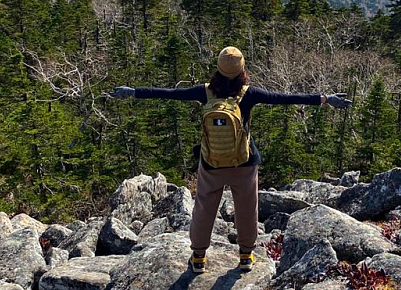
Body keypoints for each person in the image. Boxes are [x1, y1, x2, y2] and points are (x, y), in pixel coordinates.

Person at [111, 46, 351, 273]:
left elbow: (170, 94)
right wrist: (325, 98)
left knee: (204, 209)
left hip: (211, 163)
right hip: (243, 163)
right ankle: (246, 256)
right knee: (246, 209)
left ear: (218, 67)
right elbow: (285, 98)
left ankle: (198, 257)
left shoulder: (204, 91)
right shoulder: (249, 94)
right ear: (242, 69)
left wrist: (133, 92)